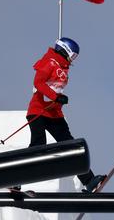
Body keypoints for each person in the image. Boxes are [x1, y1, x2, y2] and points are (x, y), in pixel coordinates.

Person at [12, 37, 105, 193]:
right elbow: (38, 83)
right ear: (65, 50)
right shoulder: (50, 62)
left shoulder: (63, 67)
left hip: (54, 114)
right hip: (39, 111)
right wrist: (56, 97)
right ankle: (15, 179)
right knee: (38, 146)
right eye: (73, 55)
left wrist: (58, 101)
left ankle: (89, 181)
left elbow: (55, 89)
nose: (73, 59)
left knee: (70, 147)